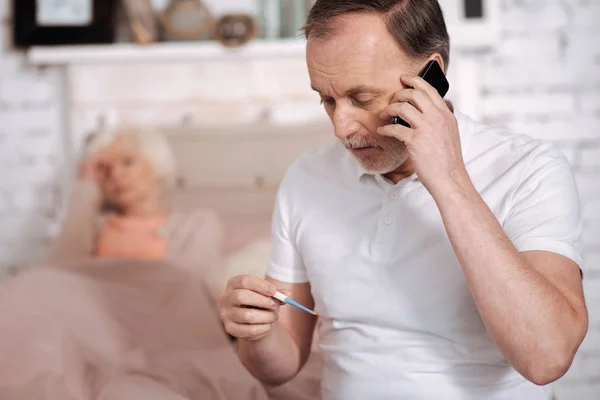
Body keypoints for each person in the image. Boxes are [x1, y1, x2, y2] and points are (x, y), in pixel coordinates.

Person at [219, 1, 588, 399]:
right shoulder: (305, 178)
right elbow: (282, 365)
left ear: (431, 77)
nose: (341, 127)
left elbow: (547, 358)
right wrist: (255, 332)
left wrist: (448, 178)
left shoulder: (529, 170)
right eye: (327, 100)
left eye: (362, 98)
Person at [47, 126, 225, 299]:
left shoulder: (197, 224)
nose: (116, 175)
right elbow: (58, 273)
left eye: (127, 162)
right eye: (106, 171)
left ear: (156, 163)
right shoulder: (92, 227)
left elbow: (187, 293)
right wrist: (86, 184)